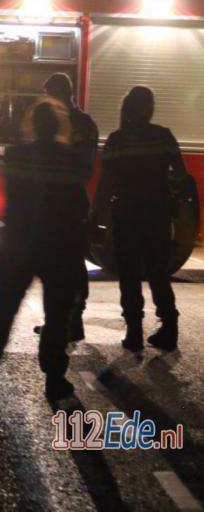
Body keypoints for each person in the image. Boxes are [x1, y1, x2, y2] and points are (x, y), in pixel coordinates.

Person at [0, 100, 86, 401]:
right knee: (57, 316)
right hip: (58, 246)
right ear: (58, 126)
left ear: (33, 125)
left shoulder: (16, 156)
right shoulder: (71, 160)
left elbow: (13, 197)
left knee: (3, 314)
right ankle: (55, 379)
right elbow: (78, 205)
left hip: (19, 243)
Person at [99, 86, 186, 351]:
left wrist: (95, 216)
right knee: (157, 270)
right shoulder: (163, 136)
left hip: (126, 214)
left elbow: (107, 182)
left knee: (129, 272)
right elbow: (181, 174)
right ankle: (169, 326)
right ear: (149, 109)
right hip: (157, 213)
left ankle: (134, 331)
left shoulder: (117, 140)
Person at [32, 72, 99, 341]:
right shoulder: (84, 123)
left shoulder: (68, 123)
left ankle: (69, 321)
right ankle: (67, 320)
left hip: (61, 202)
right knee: (67, 262)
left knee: (63, 263)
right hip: (71, 200)